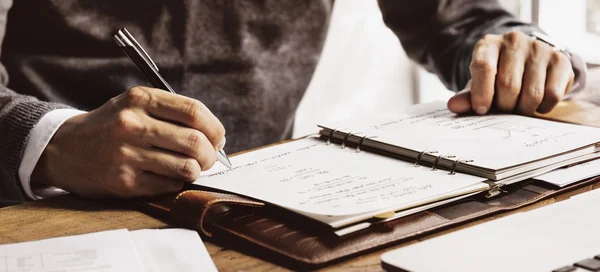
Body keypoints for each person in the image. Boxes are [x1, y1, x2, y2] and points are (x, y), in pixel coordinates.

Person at [0, 0, 586, 206]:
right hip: (38, 201)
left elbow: (458, 18)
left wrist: (525, 52)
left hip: (256, 196)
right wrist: (51, 140)